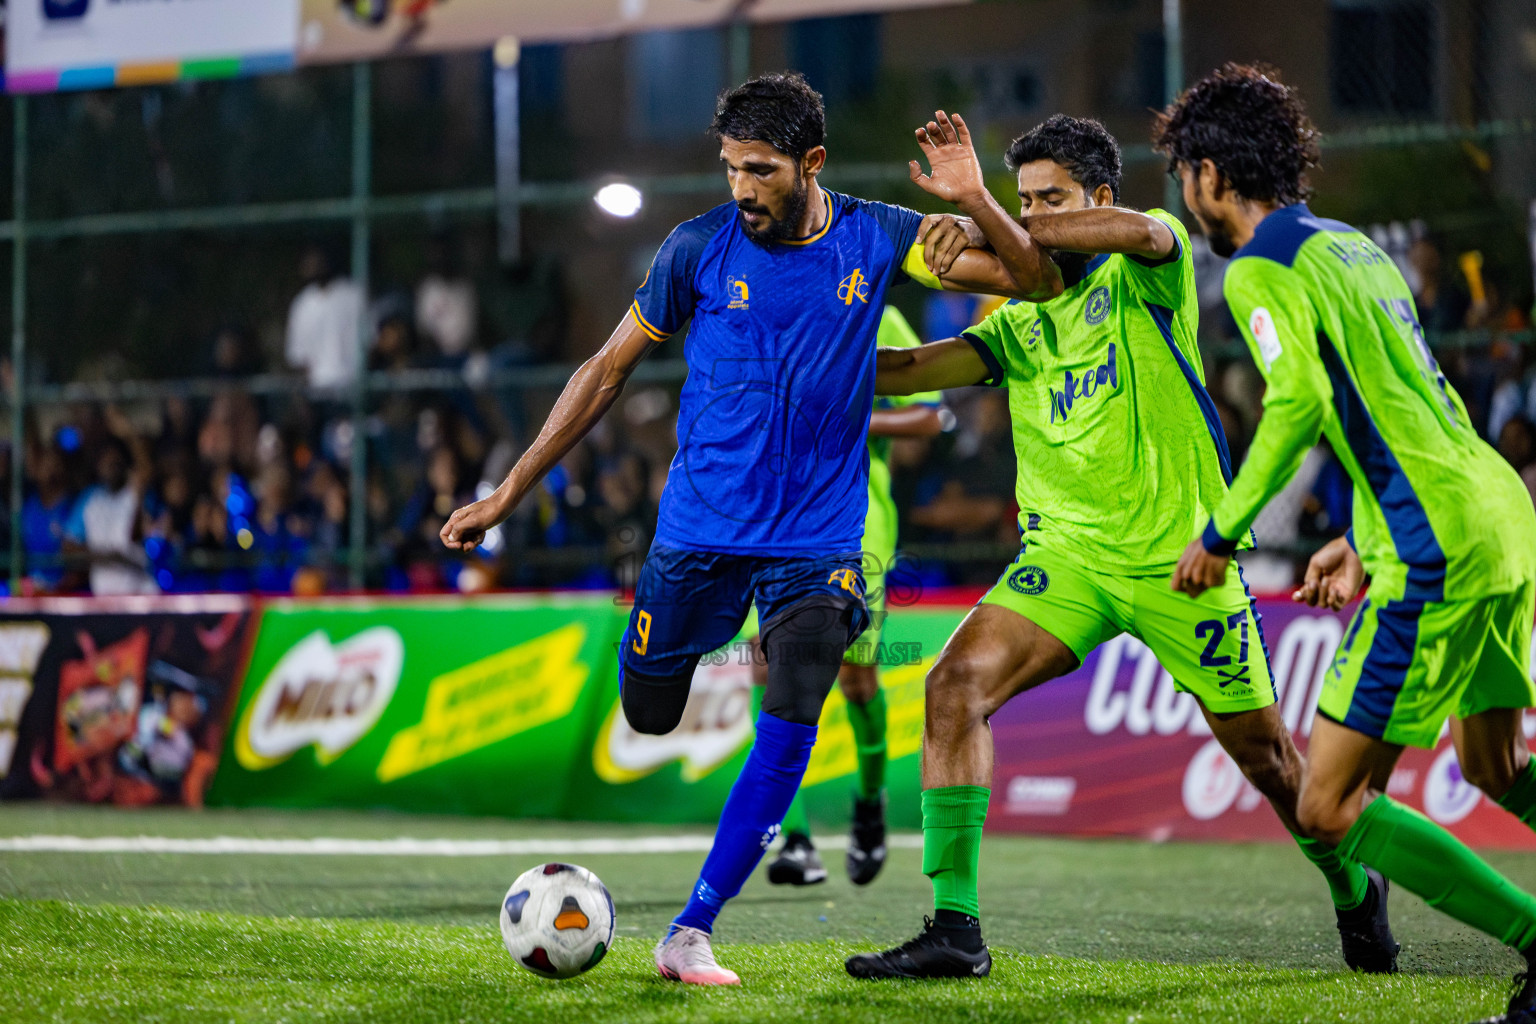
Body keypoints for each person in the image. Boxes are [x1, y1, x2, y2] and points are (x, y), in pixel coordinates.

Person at [440, 72, 1052, 986]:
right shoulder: (696, 250)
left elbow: (1030, 278)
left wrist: (973, 200)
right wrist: (507, 494)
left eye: (759, 170)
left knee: (795, 712)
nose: (741, 188)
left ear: (811, 163)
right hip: (697, 539)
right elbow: (604, 371)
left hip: (818, 544)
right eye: (730, 168)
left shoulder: (879, 235)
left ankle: (692, 929)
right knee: (649, 711)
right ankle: (700, 640)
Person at [846, 111, 1395, 981]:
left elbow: (1139, 230)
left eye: (1050, 199)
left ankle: (1352, 886)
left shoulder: (1152, 260)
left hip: (1183, 564)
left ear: (1098, 196)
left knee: (1272, 764)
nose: (1034, 215)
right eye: (1024, 197)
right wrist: (791, 347)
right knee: (953, 685)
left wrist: (982, 210)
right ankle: (955, 924)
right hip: (1066, 561)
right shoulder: (1021, 322)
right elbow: (912, 372)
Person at [1157, 63, 1536, 1024]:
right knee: (1494, 769)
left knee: (1328, 808)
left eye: (1180, 180)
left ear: (1207, 175)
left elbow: (1298, 407)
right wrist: (1363, 542)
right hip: (1497, 512)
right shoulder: (1353, 246)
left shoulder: (1257, 267)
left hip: (1438, 544)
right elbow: (1408, 399)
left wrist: (1220, 531)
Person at [758, 304, 944, 889]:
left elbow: (930, 417)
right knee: (764, 669)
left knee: (857, 682)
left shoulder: (877, 316)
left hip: (856, 530)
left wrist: (850, 421)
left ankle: (870, 801)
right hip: (775, 522)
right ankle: (793, 837)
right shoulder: (759, 315)